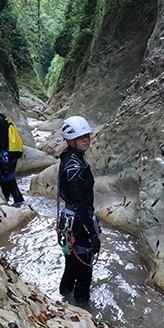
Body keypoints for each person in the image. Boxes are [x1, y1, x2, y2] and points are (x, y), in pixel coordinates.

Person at [56, 116, 100, 305]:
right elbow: (80, 203)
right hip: (78, 223)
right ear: (70, 140)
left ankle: (63, 297)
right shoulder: (75, 167)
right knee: (84, 272)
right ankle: (84, 310)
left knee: (71, 265)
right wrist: (93, 234)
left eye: (87, 136)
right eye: (80, 137)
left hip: (68, 221)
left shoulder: (69, 157)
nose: (86, 140)